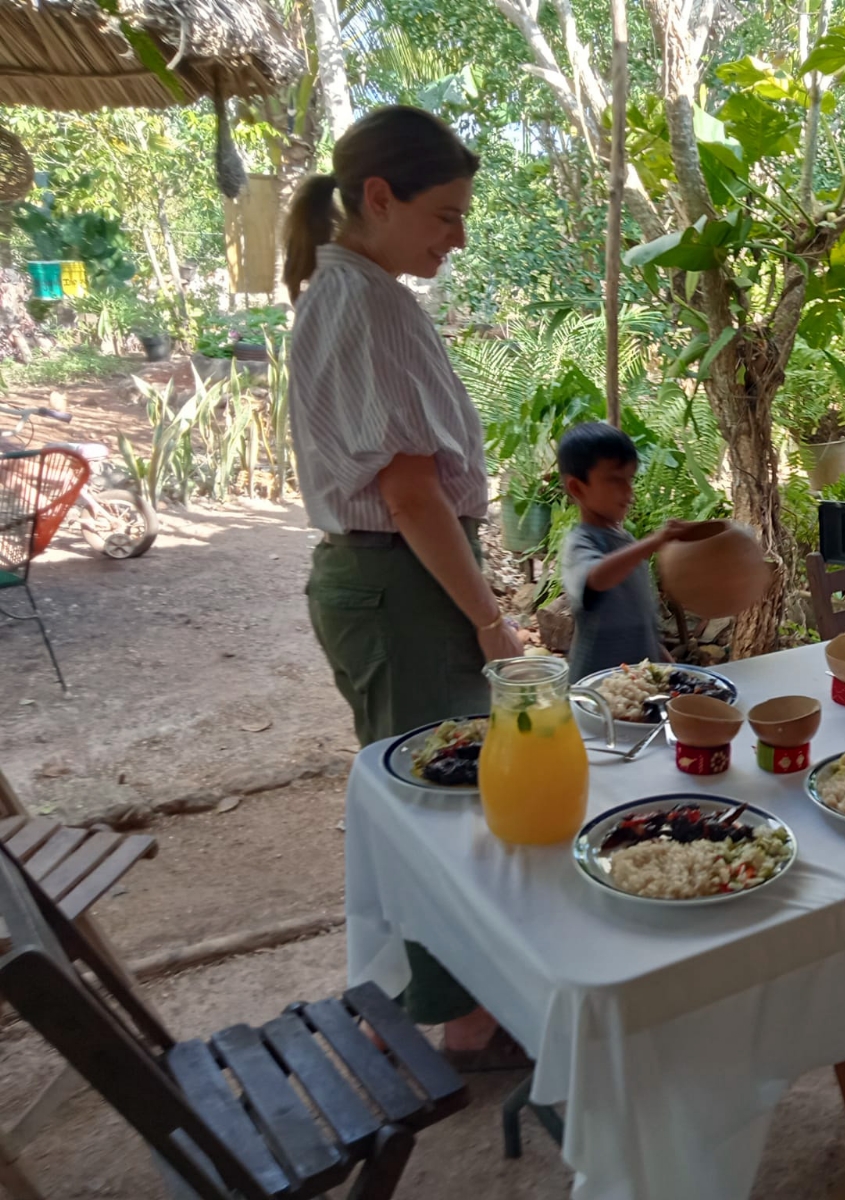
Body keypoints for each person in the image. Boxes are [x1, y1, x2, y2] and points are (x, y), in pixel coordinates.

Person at [286, 106, 527, 1070]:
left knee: (439, 789)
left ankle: (458, 998)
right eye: (446, 215)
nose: (457, 236)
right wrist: (491, 619)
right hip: (400, 582)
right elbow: (411, 490)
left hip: (389, 581)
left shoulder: (353, 289)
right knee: (440, 802)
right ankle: (461, 1017)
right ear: (378, 198)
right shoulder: (369, 301)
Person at [557, 422, 692, 680]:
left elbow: (637, 613)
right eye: (615, 480)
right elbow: (597, 578)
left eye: (630, 479)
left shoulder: (627, 541)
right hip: (596, 686)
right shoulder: (580, 543)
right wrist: (655, 541)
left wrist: (659, 655)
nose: (628, 491)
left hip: (636, 680)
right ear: (577, 488)